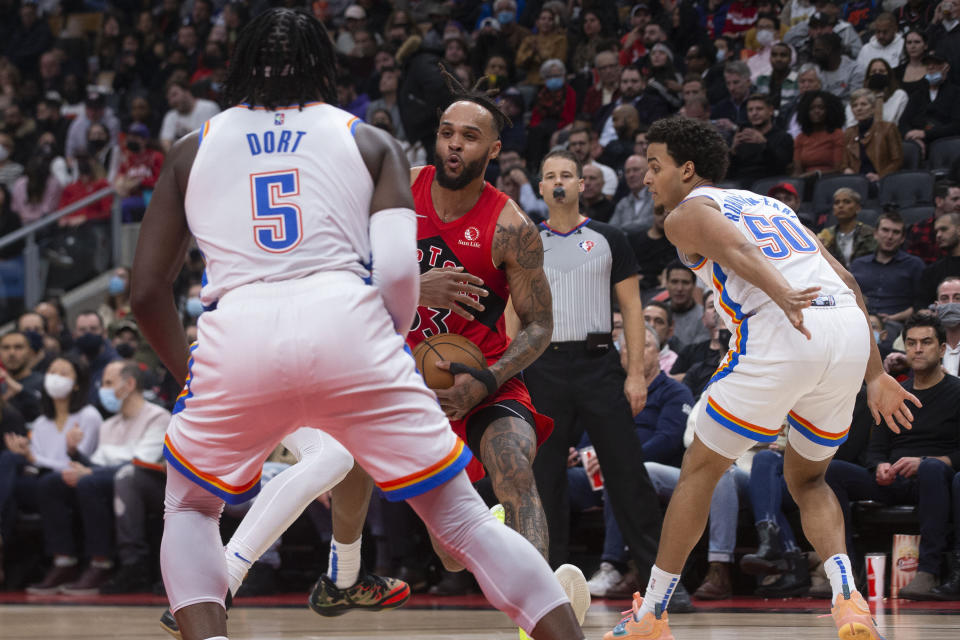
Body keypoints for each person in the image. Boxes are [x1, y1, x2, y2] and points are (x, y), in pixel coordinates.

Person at [130, 10, 587, 640]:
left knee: (190, 505)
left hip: (237, 338)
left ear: (242, 63)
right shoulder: (368, 140)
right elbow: (399, 274)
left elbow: (146, 290)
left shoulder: (192, 148)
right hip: (349, 330)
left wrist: (192, 375)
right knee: (464, 522)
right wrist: (381, 344)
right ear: (325, 63)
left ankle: (234, 616)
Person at [603, 116, 917, 640]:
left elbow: (742, 254)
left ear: (686, 169)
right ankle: (849, 601)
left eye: (654, 167)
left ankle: (651, 614)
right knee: (809, 479)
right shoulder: (769, 204)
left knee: (700, 470)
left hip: (785, 325)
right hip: (847, 331)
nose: (648, 179)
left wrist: (781, 294)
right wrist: (876, 372)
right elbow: (846, 280)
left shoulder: (685, 215)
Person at [407, 71, 590, 620]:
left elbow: (538, 326)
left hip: (489, 383)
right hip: (415, 392)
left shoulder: (511, 226)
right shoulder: (397, 192)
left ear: (493, 148)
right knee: (452, 557)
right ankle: (488, 534)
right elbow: (349, 271)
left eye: (467, 136)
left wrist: (485, 379)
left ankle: (538, 622)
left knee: (516, 476)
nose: (454, 144)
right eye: (446, 132)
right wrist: (415, 287)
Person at [526, 150, 691, 611]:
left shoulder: (610, 237)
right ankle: (548, 591)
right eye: (549, 175)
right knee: (544, 480)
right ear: (540, 188)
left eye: (566, 175)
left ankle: (663, 589)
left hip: (600, 364)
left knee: (627, 475)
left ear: (582, 185)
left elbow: (633, 310)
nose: (558, 182)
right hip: (542, 366)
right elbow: (513, 313)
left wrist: (634, 373)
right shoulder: (524, 240)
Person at [826, 314, 960, 601]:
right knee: (832, 471)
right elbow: (876, 447)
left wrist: (928, 461)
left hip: (937, 479)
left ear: (942, 350)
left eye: (926, 342)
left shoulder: (956, 392)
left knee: (933, 470)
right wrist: (879, 466)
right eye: (911, 343)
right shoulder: (894, 392)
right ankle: (847, 570)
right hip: (894, 479)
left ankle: (929, 571)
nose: (918, 349)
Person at [32, 360, 168, 595]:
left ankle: (101, 563)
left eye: (108, 383)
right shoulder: (109, 425)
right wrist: (75, 453)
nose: (102, 389)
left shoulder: (158, 417)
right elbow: (98, 464)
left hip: (147, 483)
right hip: (110, 479)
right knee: (53, 482)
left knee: (90, 481)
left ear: (130, 384)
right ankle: (64, 561)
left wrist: (89, 472)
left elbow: (142, 463)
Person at [20, 354, 103, 594]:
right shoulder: (40, 422)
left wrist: (35, 459)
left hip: (79, 479)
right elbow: (35, 462)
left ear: (77, 383)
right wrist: (28, 459)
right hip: (46, 480)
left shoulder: (88, 416)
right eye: (52, 372)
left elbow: (77, 462)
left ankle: (65, 561)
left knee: (49, 482)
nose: (55, 378)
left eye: (63, 373)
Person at [850, 210, 925, 324]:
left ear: (902, 238)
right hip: (860, 321)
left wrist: (894, 318)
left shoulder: (914, 265)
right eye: (885, 230)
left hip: (898, 324)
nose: (890, 236)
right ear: (875, 233)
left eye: (896, 232)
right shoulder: (858, 264)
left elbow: (920, 304)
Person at [727, 94, 794, 185]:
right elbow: (728, 173)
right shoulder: (742, 137)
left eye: (759, 109)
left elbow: (781, 168)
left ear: (770, 111)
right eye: (750, 110)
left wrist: (764, 144)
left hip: (769, 185)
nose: (754, 113)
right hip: (740, 186)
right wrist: (733, 152)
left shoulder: (783, 137)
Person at [841, 89, 903, 183]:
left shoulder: (888, 128)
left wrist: (880, 176)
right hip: (856, 181)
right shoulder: (849, 132)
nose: (859, 108)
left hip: (882, 181)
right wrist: (846, 170)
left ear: (873, 108)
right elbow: (843, 163)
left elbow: (897, 160)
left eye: (863, 104)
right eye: (855, 105)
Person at [818, 188, 877, 268]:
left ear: (858, 208)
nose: (840, 206)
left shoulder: (869, 233)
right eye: (836, 202)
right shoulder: (826, 234)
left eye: (847, 202)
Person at [792, 90, 846, 177]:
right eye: (811, 108)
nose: (816, 111)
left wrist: (816, 174)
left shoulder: (837, 135)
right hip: (805, 183)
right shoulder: (800, 138)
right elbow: (798, 171)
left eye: (821, 108)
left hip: (831, 181)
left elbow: (839, 169)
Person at [845, 58, 909, 128]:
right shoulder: (858, 98)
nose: (877, 74)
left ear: (889, 75)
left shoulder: (899, 95)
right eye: (873, 72)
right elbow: (851, 125)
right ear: (868, 77)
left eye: (881, 71)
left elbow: (898, 123)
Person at [907, 181, 960, 264]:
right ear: (939, 201)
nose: (959, 203)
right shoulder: (920, 229)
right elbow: (911, 265)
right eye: (955, 199)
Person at [664, 261, 710, 349]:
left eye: (685, 282)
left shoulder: (704, 317)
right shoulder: (657, 315)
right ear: (666, 284)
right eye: (674, 282)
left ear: (694, 285)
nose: (679, 288)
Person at [918, 215, 960, 307]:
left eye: (943, 229)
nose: (938, 235)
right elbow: (921, 308)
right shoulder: (931, 271)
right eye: (936, 231)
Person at [609, 154, 654, 233]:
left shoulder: (659, 197)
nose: (631, 175)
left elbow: (654, 221)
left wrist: (624, 227)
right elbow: (612, 230)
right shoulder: (623, 203)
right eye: (627, 171)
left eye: (636, 170)